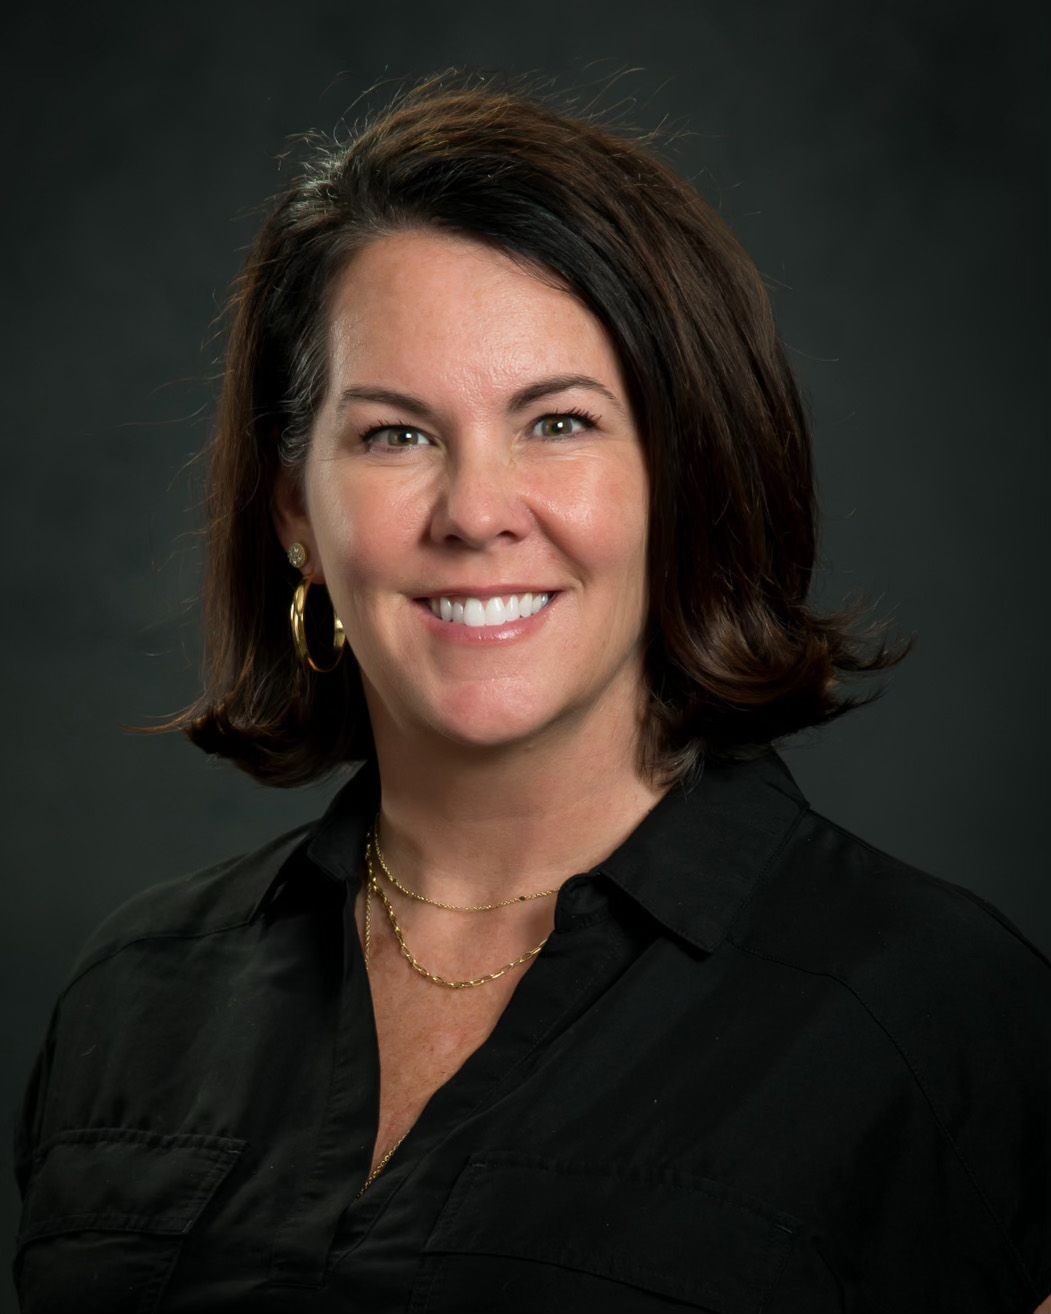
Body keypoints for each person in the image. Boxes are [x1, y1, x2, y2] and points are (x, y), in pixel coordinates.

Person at [11, 69, 1050, 1314]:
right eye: (396, 435)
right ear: (297, 513)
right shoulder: (135, 994)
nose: (475, 514)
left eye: (557, 423)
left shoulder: (942, 1019)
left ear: (684, 474)